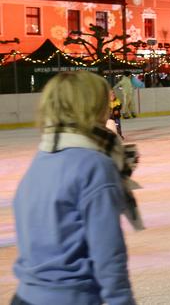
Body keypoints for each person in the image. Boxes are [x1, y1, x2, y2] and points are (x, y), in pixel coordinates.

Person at [12, 71, 141, 305]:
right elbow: (108, 254)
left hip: (26, 296)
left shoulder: (44, 156)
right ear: (91, 106)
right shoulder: (94, 165)